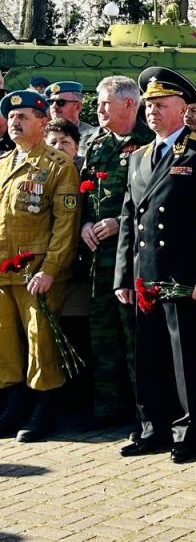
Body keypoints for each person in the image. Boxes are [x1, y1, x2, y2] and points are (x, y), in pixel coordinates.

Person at [114, 68, 196, 463]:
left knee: (184, 356)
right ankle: (150, 427)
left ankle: (187, 431)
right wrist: (124, 275)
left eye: (161, 105)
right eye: (149, 105)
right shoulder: (139, 156)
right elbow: (130, 218)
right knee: (149, 354)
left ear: (182, 108)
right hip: (146, 270)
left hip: (182, 271)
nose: (152, 112)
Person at [0, 90, 80, 442]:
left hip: (37, 271)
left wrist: (50, 269)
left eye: (24, 117)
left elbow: (66, 224)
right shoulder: (3, 164)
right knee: (4, 339)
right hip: (3, 269)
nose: (15, 123)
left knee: (40, 339)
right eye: (12, 118)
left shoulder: (57, 166)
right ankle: (13, 400)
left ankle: (43, 404)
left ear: (43, 122)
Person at [79, 76, 153, 428]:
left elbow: (152, 202)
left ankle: (145, 413)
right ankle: (106, 409)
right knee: (102, 333)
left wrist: (119, 222)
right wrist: (84, 224)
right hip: (99, 257)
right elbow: (83, 194)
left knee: (136, 338)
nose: (98, 109)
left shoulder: (148, 143)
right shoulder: (97, 144)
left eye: (105, 103)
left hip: (133, 257)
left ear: (128, 105)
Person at [46, 81, 97, 152]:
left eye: (60, 102)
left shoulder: (93, 136)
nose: (54, 106)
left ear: (77, 106)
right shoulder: (42, 134)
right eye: (51, 102)